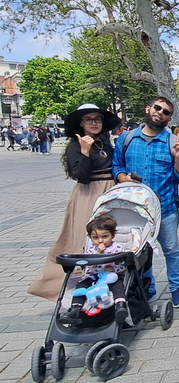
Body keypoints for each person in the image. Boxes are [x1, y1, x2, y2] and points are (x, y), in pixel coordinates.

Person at [28, 104, 121, 301]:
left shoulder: (105, 142)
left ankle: (112, 284)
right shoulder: (75, 145)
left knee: (110, 237)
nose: (94, 123)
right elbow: (81, 176)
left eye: (97, 119)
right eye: (89, 119)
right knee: (83, 240)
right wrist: (85, 151)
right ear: (81, 123)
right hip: (88, 194)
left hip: (110, 192)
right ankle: (77, 289)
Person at [113, 97, 179, 308]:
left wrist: (178, 158)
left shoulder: (173, 141)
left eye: (166, 111)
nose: (160, 112)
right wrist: (122, 177)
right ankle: (146, 287)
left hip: (164, 207)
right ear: (148, 108)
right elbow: (116, 165)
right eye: (157, 108)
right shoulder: (127, 139)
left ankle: (176, 288)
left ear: (168, 118)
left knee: (172, 249)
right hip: (134, 209)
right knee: (138, 250)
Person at [60, 215, 128, 324]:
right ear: (90, 237)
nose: (100, 241)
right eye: (95, 238)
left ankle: (120, 306)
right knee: (81, 286)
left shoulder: (117, 248)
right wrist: (98, 253)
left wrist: (114, 267)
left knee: (118, 286)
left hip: (111, 277)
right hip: (93, 277)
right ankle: (75, 310)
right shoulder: (90, 249)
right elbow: (88, 265)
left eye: (105, 236)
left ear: (113, 235)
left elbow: (123, 265)